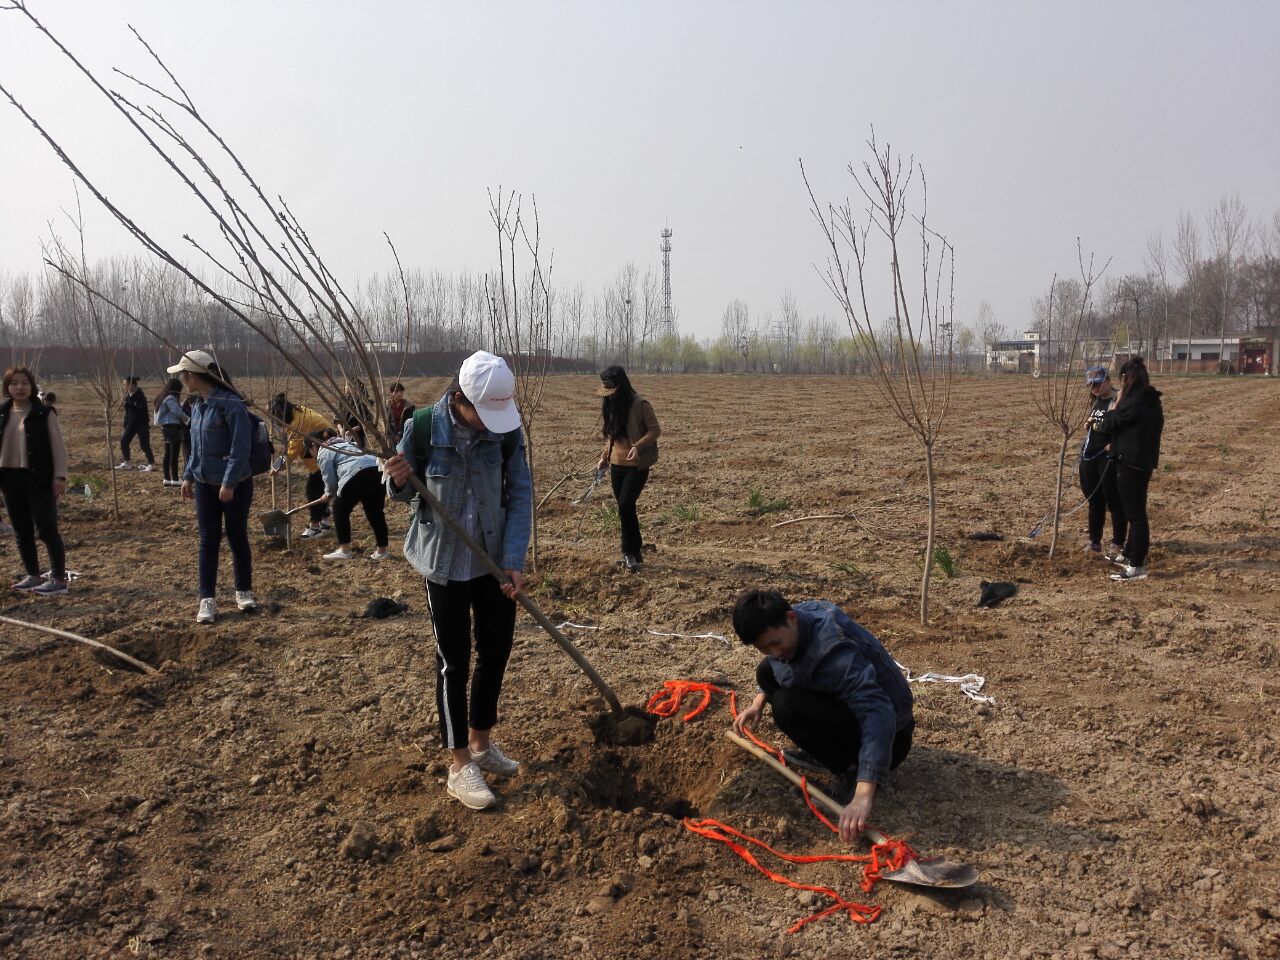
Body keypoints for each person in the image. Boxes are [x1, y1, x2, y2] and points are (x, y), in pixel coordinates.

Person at [384, 350, 532, 812]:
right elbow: (402, 494)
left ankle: (481, 743)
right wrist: (398, 479)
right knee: (454, 661)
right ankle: (460, 764)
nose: (489, 424)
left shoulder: (506, 433)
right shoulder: (423, 428)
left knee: (496, 650)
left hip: (492, 561)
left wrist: (513, 560)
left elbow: (520, 494)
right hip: (443, 564)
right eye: (481, 414)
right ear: (460, 398)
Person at [731, 590, 915, 842]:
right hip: (850, 713)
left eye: (775, 643)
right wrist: (757, 703)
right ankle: (830, 754)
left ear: (791, 618)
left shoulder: (834, 651)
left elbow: (878, 712)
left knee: (785, 705)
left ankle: (851, 770)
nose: (774, 651)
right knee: (766, 672)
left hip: (893, 738)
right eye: (764, 648)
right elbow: (775, 665)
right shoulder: (789, 626)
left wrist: (863, 795)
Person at [171, 350, 256, 623]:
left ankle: (243, 590)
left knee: (236, 536)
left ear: (193, 375)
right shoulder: (197, 405)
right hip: (204, 483)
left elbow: (240, 448)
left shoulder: (231, 405)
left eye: (183, 375)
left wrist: (229, 483)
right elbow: (196, 447)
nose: (182, 380)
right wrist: (188, 476)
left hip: (235, 485)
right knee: (208, 540)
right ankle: (206, 599)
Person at [0, 366, 71, 596]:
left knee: (47, 529)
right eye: (14, 383)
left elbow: (57, 447)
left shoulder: (44, 413)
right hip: (9, 478)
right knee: (21, 531)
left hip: (38, 478)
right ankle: (33, 574)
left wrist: (59, 476)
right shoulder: (2, 412)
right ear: (7, 387)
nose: (19, 387)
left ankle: (58, 579)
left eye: (24, 383)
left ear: (32, 386)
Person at [1100, 357, 1164, 583]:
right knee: (1134, 512)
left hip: (1130, 463)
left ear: (1126, 379)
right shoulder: (1152, 401)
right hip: (1142, 462)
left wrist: (1116, 404)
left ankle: (1137, 565)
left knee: (1136, 516)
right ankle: (1129, 554)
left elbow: (1108, 424)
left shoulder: (1133, 402)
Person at [595, 365, 660, 571]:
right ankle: (635, 550)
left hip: (636, 465)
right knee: (626, 509)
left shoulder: (641, 405)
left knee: (624, 506)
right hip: (616, 464)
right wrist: (604, 458)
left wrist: (638, 447)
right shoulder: (612, 404)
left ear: (622, 386)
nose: (609, 395)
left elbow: (655, 430)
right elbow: (612, 436)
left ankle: (627, 551)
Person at [306, 428, 390, 561]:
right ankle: (382, 552)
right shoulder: (347, 444)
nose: (312, 455)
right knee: (375, 512)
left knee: (339, 510)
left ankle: (344, 550)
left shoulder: (324, 451)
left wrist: (328, 494)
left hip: (356, 473)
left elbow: (329, 479)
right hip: (377, 470)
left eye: (310, 452)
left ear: (313, 446)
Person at [269, 393, 333, 540]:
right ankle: (324, 523)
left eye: (278, 417)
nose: (277, 421)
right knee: (321, 488)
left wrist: (277, 466)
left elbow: (293, 450)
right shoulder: (296, 412)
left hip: (325, 451)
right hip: (320, 450)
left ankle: (315, 526)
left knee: (313, 490)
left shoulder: (299, 422)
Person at [1079, 366, 1125, 556]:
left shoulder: (1119, 399)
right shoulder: (1096, 400)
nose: (1095, 388)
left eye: (1098, 383)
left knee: (1114, 500)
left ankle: (1118, 542)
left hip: (1108, 457)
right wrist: (1088, 423)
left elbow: (1125, 426)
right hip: (1090, 454)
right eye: (1091, 385)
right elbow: (1094, 423)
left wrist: (1115, 443)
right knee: (1094, 500)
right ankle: (1094, 541)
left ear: (1107, 380)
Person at [154, 377, 190, 487]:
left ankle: (167, 478)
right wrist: (188, 420)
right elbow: (177, 412)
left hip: (166, 428)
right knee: (174, 454)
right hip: (173, 428)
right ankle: (175, 478)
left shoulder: (161, 397)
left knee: (167, 454)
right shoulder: (170, 398)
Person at [117, 376, 156, 471]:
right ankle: (127, 463)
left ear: (133, 385)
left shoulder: (140, 396)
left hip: (141, 424)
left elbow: (140, 410)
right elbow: (128, 412)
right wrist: (126, 423)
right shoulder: (127, 395)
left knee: (144, 445)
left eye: (126, 384)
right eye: (124, 384)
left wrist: (127, 405)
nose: (125, 386)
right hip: (131, 424)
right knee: (124, 441)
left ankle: (152, 464)